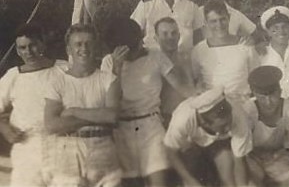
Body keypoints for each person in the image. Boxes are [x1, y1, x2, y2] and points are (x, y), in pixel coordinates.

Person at [100, 18, 196, 186]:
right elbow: (111, 102)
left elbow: (182, 87)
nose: (133, 54)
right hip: (121, 130)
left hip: (151, 126)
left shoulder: (156, 56)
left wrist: (204, 99)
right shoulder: (109, 61)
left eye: (136, 47)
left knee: (158, 181)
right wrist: (117, 68)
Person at [44, 24, 121, 187]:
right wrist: (98, 116)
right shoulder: (57, 81)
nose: (84, 49)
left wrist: (73, 111)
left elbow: (112, 116)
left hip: (102, 147)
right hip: (68, 149)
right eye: (78, 44)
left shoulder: (108, 79)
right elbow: (51, 124)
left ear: (96, 47)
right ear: (69, 50)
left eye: (88, 43)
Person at [0, 24, 66, 187]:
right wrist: (5, 128)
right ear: (17, 50)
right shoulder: (13, 76)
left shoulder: (63, 68)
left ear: (42, 44)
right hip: (27, 147)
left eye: (33, 45)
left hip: (63, 145)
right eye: (22, 48)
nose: (28, 52)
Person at [164, 87, 252, 187]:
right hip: (190, 145)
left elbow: (239, 160)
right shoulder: (182, 121)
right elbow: (170, 152)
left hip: (219, 142)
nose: (228, 128)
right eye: (223, 126)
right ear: (204, 123)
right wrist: (191, 182)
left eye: (229, 122)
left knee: (229, 175)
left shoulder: (238, 115)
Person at [243, 66, 289, 186]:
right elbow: (240, 148)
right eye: (262, 97)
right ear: (255, 94)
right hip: (253, 157)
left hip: (278, 156)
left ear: (279, 91)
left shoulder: (288, 108)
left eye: (272, 95)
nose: (268, 102)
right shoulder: (248, 109)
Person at [191, 0, 258, 103]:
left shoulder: (245, 46)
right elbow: (196, 79)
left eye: (222, 19)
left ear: (229, 18)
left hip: (243, 103)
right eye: (213, 21)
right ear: (206, 23)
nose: (219, 25)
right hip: (213, 105)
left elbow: (255, 76)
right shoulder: (199, 50)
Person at [256, 6, 289, 98]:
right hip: (273, 103)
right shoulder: (260, 54)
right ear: (268, 32)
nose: (281, 31)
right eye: (275, 28)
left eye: (284, 27)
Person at [154, 17, 197, 122]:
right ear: (156, 38)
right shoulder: (152, 62)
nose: (170, 37)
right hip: (163, 119)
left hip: (189, 116)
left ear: (179, 36)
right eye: (165, 34)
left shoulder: (188, 59)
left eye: (174, 33)